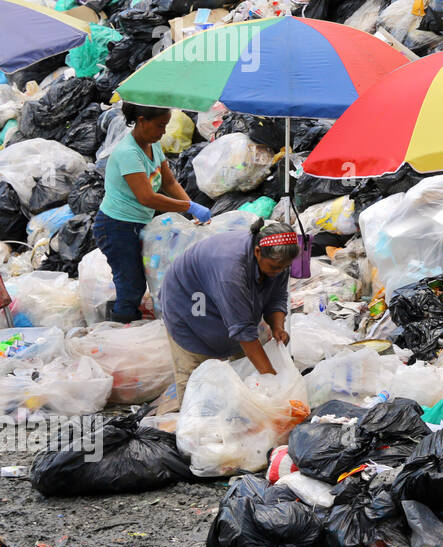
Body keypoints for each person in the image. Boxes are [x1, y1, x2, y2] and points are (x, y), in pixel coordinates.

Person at [158, 218, 299, 408]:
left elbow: (277, 296)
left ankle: (239, 416)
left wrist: (277, 326)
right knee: (197, 381)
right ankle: (193, 432)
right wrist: (273, 380)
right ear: (257, 252)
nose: (280, 271)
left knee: (245, 376)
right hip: (190, 307)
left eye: (285, 268)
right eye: (275, 267)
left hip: (225, 303)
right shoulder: (231, 269)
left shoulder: (277, 261)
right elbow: (243, 331)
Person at [93, 102, 210, 323]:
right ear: (141, 122)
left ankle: (126, 316)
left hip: (139, 222)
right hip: (116, 225)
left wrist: (191, 208)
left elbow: (169, 181)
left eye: (165, 125)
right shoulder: (128, 153)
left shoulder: (152, 144)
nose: (163, 131)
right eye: (160, 126)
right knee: (131, 282)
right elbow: (146, 197)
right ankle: (123, 328)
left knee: (143, 276)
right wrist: (189, 207)